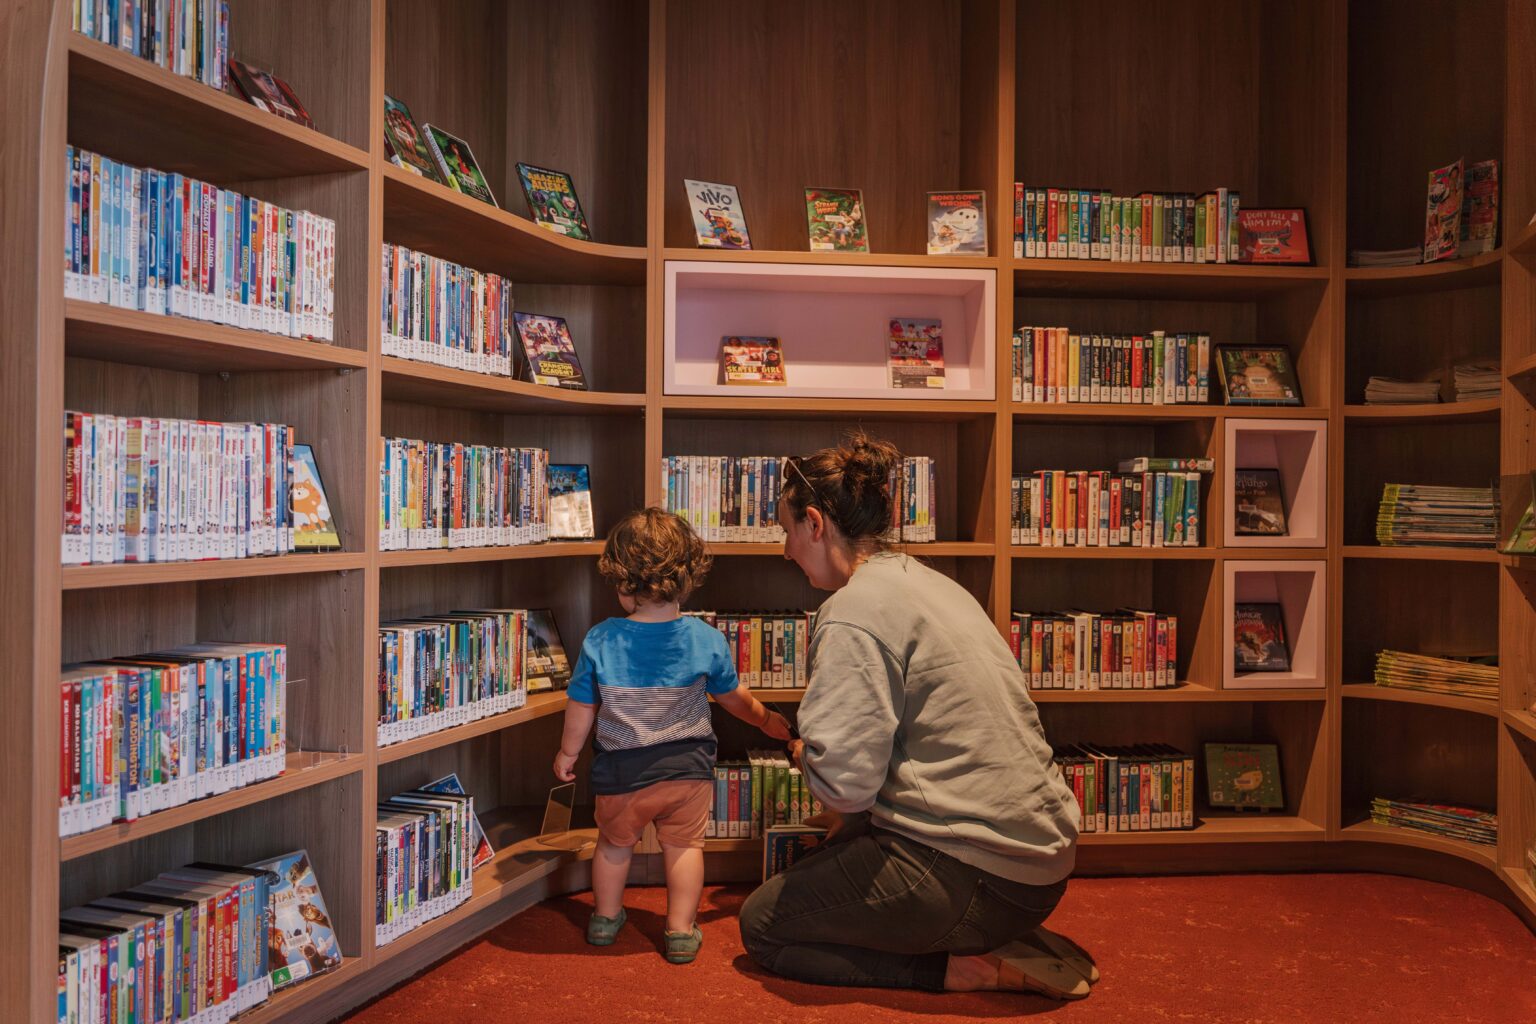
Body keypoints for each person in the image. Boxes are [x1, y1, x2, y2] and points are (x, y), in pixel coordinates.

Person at [738, 434, 1094, 1000]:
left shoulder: (852, 612)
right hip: (1040, 869)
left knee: (762, 926)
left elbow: (847, 789)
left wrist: (809, 757)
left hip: (978, 875)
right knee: (835, 859)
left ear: (813, 522)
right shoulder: (927, 580)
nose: (785, 552)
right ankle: (993, 935)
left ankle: (956, 967)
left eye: (786, 532)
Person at [555, 508, 793, 963]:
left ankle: (605, 919)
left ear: (623, 582)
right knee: (684, 848)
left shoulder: (601, 639)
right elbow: (734, 699)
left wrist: (568, 753)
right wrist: (765, 721)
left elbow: (582, 705)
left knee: (612, 845)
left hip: (622, 771)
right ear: (687, 578)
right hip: (687, 771)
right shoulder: (706, 639)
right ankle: (681, 931)